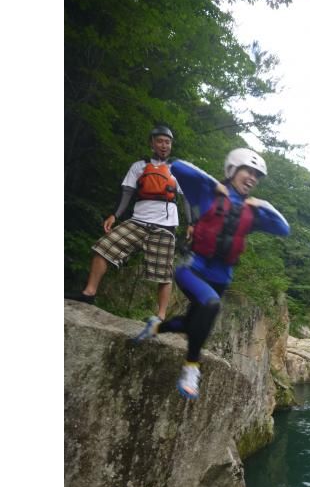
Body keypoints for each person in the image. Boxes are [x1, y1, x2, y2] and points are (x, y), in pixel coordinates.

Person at [133, 148, 290, 400]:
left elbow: (284, 228)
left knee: (191, 323)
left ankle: (155, 328)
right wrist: (214, 183)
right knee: (211, 305)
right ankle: (191, 367)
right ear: (232, 169)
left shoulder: (253, 212)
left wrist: (262, 203)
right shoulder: (207, 191)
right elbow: (177, 165)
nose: (252, 178)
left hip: (220, 279)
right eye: (247, 171)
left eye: (257, 175)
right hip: (192, 270)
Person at [66, 126, 192, 322]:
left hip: (165, 225)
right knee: (103, 247)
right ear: (152, 143)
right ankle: (89, 293)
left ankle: (160, 316)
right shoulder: (138, 166)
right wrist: (114, 215)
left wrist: (191, 223)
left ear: (171, 145)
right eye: (159, 141)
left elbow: (186, 199)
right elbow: (126, 192)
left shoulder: (179, 170)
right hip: (138, 221)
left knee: (163, 272)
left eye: (167, 142)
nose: (164, 145)